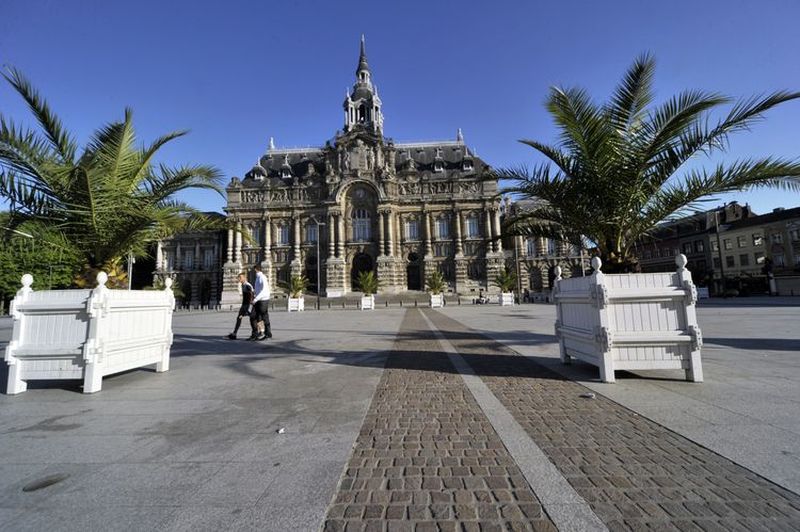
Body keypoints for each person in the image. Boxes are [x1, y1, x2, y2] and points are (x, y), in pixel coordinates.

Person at [248, 263, 272, 341]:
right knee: (254, 316)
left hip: (263, 300)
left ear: (256, 270)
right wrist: (253, 293)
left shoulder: (262, 277)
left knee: (264, 317)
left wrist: (255, 299)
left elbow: (264, 290)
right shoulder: (258, 278)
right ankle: (258, 332)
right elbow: (258, 290)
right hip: (258, 300)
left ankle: (267, 333)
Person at [226, 273, 253, 340]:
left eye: (240, 277)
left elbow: (251, 296)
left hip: (248, 305)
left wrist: (248, 308)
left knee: (255, 319)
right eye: (238, 277)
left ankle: (260, 332)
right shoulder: (242, 285)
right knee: (239, 318)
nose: (239, 279)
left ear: (244, 278)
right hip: (244, 305)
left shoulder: (247, 285)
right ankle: (234, 334)